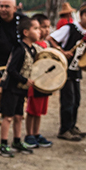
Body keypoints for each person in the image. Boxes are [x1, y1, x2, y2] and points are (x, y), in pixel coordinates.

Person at [48, 3, 86, 141]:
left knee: (76, 100)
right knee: (68, 100)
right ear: (80, 15)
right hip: (65, 70)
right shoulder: (69, 28)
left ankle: (72, 126)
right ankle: (64, 129)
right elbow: (51, 38)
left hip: (76, 70)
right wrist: (62, 52)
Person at [0, 15, 40, 157]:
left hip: (21, 89)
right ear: (26, 32)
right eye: (36, 29)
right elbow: (11, 69)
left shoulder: (32, 49)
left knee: (19, 116)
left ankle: (16, 141)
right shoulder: (20, 49)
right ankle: (3, 144)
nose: (39, 32)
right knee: (8, 117)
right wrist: (24, 79)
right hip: (11, 87)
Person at [23, 13, 54, 149]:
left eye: (48, 27)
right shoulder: (33, 46)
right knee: (32, 110)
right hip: (35, 82)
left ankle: (36, 133)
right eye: (42, 27)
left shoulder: (46, 44)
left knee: (40, 111)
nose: (46, 30)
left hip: (44, 83)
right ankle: (29, 134)